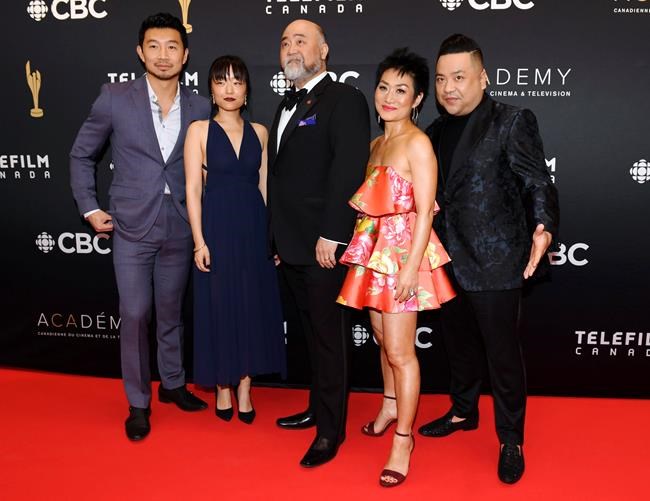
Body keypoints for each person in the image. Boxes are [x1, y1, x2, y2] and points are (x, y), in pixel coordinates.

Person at [417, 34, 560, 484]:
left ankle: (511, 438)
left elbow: (537, 181)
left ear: (483, 78)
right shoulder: (432, 132)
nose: (449, 88)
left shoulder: (512, 120)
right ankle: (463, 411)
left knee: (502, 355)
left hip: (496, 260)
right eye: (442, 79)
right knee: (457, 344)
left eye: (459, 77)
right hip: (445, 260)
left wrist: (544, 225)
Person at [70, 12, 210, 441]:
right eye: (154, 46)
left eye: (172, 47)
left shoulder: (201, 106)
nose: (163, 55)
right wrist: (90, 208)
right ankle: (137, 402)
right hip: (131, 225)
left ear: (185, 55)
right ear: (140, 52)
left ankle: (172, 384)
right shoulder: (114, 98)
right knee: (134, 314)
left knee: (171, 311)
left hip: (180, 223)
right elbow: (81, 154)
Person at [337, 48, 456, 487]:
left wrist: (409, 269)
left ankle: (404, 440)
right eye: (384, 87)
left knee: (402, 352)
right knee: (383, 339)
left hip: (404, 255)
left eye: (401, 90)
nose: (389, 97)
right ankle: (389, 404)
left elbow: (425, 212)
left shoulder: (417, 143)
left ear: (418, 98)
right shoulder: (376, 144)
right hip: (374, 253)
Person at [267, 19, 370, 467]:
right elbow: (281, 179)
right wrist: (275, 236)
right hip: (290, 245)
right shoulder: (283, 104)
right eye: (285, 42)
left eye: (301, 40)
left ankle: (331, 431)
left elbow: (347, 169)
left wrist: (333, 233)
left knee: (329, 339)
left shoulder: (345, 99)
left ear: (323, 50)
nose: (291, 48)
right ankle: (316, 408)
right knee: (311, 335)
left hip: (324, 247)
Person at [184, 55, 286, 425]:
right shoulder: (199, 130)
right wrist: (199, 241)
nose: (229, 89)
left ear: (246, 91)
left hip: (253, 228)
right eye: (221, 81)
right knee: (219, 304)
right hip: (216, 226)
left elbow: (265, 188)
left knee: (250, 306)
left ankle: (245, 385)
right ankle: (222, 385)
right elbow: (193, 190)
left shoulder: (260, 132)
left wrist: (272, 238)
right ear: (211, 90)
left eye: (237, 81)